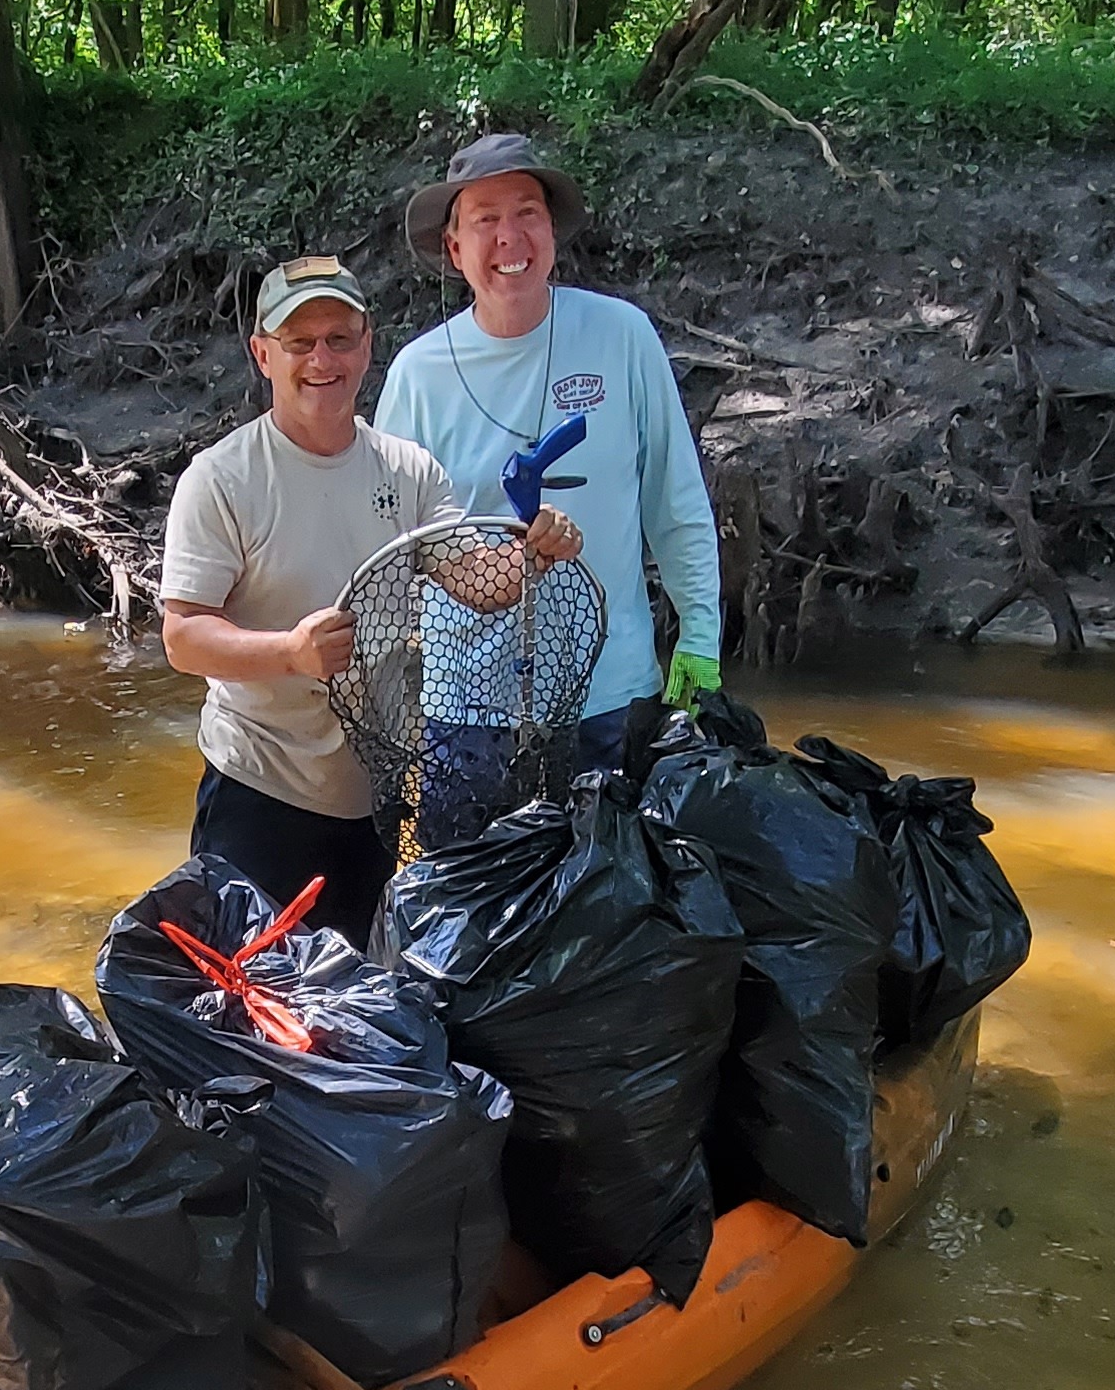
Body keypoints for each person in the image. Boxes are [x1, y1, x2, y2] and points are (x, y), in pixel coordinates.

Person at [162, 255, 582, 942]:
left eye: (339, 339)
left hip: (373, 800)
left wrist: (533, 551)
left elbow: (479, 584)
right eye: (300, 344)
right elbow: (182, 638)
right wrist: (290, 653)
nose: (321, 360)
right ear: (263, 355)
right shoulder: (221, 479)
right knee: (246, 1003)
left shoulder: (409, 470)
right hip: (258, 789)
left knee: (350, 998)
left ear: (367, 346)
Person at [379, 133, 727, 783]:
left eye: (527, 213)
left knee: (613, 881)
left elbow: (674, 503)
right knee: (465, 885)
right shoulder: (416, 375)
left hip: (611, 694)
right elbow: (395, 546)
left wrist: (700, 637)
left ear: (553, 232)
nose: (510, 237)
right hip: (467, 708)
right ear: (455, 249)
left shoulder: (622, 337)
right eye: (485, 220)